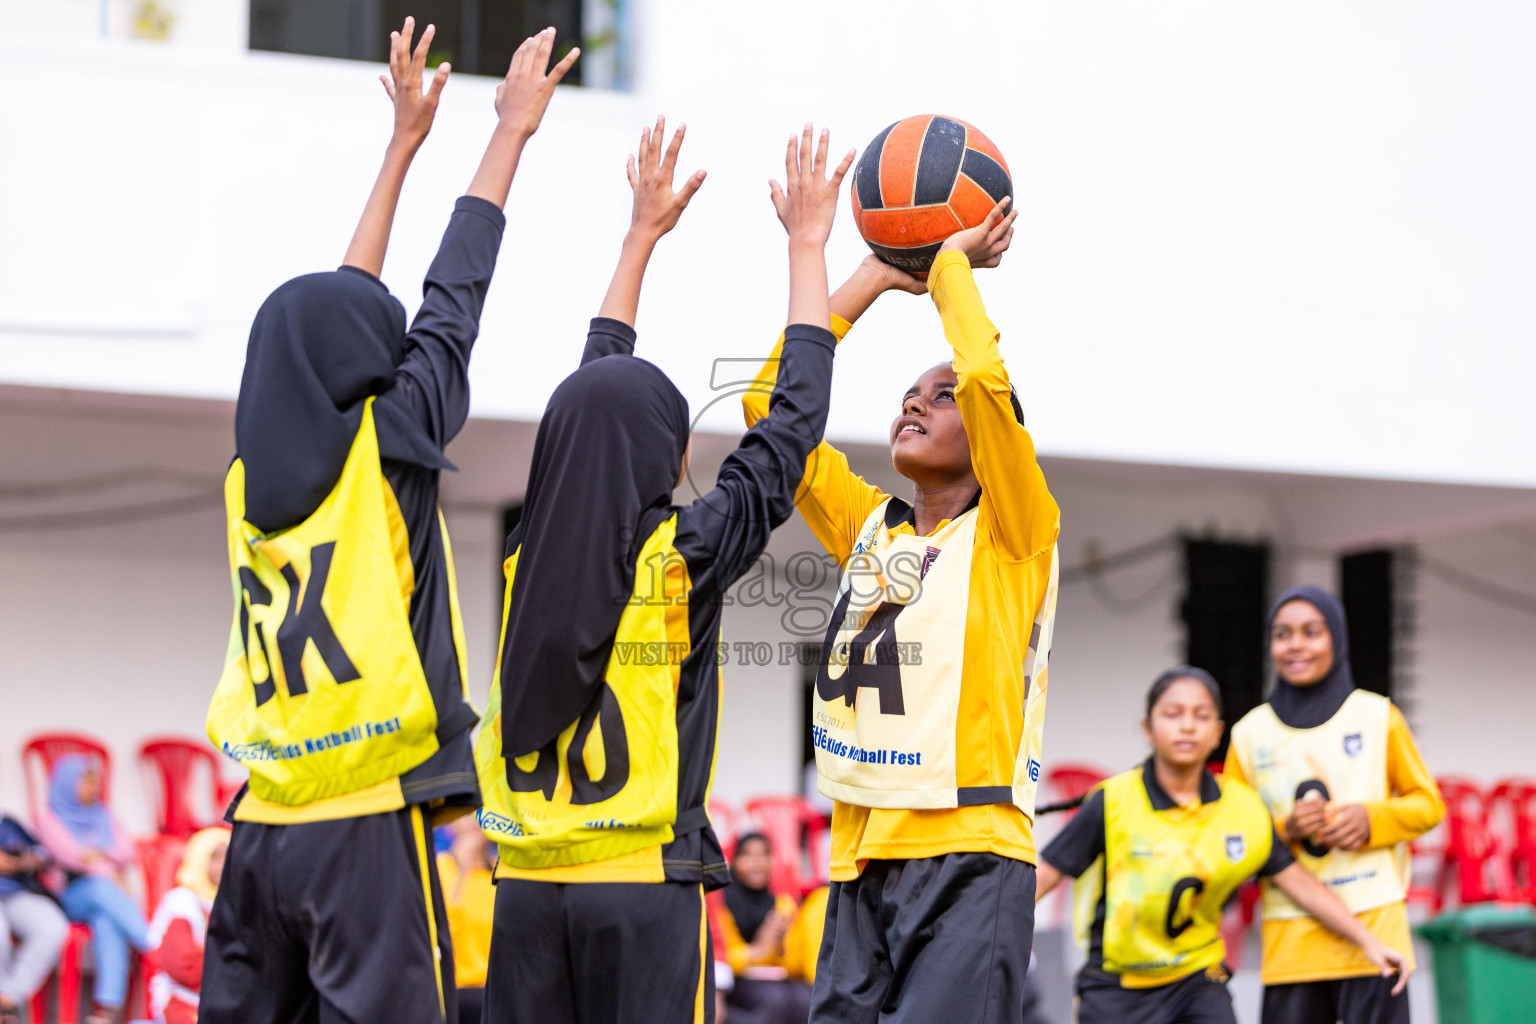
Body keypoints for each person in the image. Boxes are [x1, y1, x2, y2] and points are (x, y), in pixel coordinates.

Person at [200, 20, 578, 1024]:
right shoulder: (388, 445)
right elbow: (450, 296)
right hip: (361, 824)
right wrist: (508, 136)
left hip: (259, 826)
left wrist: (400, 148)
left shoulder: (250, 483)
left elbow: (329, 319)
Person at [474, 119, 850, 1024]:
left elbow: (589, 396)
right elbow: (790, 428)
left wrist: (638, 236)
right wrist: (810, 246)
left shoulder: (525, 556)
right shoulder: (681, 557)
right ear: (662, 452)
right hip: (637, 889)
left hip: (524, 890)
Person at [743, 202, 1054, 1024]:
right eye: (909, 396)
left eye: (938, 398)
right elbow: (768, 408)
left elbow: (987, 379)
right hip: (858, 851)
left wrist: (949, 264)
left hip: (969, 853)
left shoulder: (1015, 531)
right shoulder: (867, 524)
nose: (915, 405)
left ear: (989, 436)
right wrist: (873, 279)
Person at [1034, 667, 1411, 1024]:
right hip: (1117, 984)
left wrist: (1369, 941)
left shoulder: (1243, 809)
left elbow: (1298, 882)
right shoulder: (1112, 802)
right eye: (1173, 713)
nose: (1186, 726)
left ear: (1217, 733)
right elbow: (1044, 875)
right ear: (1148, 728)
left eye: (1201, 716)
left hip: (1197, 977)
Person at [1226, 586, 1445, 1024]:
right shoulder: (1249, 733)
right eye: (1283, 634)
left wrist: (1373, 818)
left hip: (1375, 920)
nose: (1296, 646)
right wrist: (1283, 829)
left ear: (1337, 640)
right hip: (1292, 930)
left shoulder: (1378, 716)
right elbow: (1230, 834)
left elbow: (1429, 805)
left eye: (1312, 632)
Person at [35, 755, 149, 1024]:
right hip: (70, 898)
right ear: (67, 782)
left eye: (96, 780)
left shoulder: (103, 814)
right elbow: (69, 854)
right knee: (100, 888)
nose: (94, 786)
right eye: (87, 780)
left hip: (104, 900)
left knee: (107, 921)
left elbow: (127, 850)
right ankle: (152, 943)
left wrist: (96, 857)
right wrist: (108, 868)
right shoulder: (49, 817)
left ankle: (106, 1012)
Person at [714, 833, 812, 1024]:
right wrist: (757, 951)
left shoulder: (782, 905)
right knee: (774, 998)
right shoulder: (722, 903)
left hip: (773, 978)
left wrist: (780, 944)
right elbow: (720, 957)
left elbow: (795, 965)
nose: (757, 863)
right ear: (734, 860)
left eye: (764, 855)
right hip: (736, 980)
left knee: (805, 997)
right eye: (748, 856)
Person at [147, 827, 231, 1024]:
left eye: (229, 857)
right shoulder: (182, 901)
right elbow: (183, 967)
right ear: (199, 859)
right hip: (183, 999)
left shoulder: (233, 902)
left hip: (225, 998)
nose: (223, 865)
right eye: (215, 858)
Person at [0, 811, 69, 1024]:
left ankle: (8, 999)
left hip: (16, 893)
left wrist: (22, 862)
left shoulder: (8, 823)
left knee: (52, 926)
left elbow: (42, 854)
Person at [437, 816, 495, 1024]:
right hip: (457, 992)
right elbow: (439, 940)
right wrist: (462, 875)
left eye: (479, 810)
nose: (473, 820)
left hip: (499, 990)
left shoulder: (504, 872)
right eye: (464, 813)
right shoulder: (439, 869)